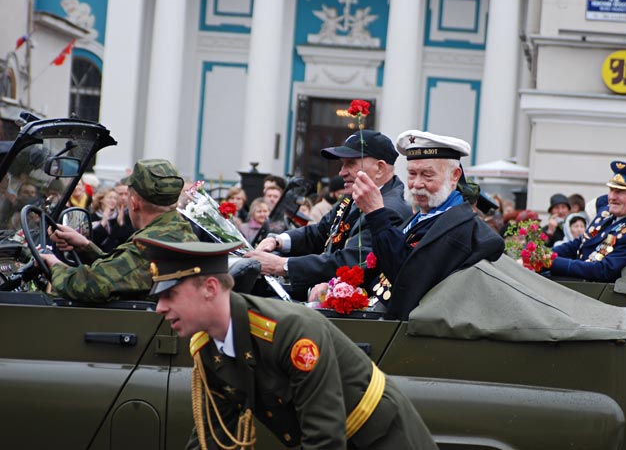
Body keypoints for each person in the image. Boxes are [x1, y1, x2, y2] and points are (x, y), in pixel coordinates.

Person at [135, 237, 438, 450]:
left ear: (210, 288)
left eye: (170, 295)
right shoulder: (208, 345)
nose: (160, 308)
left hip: (380, 438)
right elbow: (215, 436)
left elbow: (323, 440)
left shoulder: (291, 334)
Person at [349, 130, 505, 320]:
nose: (417, 184)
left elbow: (406, 278)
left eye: (428, 175)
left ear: (455, 176)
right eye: (412, 174)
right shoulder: (422, 217)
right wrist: (340, 286)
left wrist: (376, 214)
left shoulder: (459, 228)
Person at [246, 130, 412, 300]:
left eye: (351, 163)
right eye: (342, 164)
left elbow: (351, 260)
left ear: (380, 168)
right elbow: (320, 231)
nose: (342, 172)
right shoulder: (354, 196)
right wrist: (278, 241)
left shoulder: (388, 209)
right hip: (321, 291)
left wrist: (282, 265)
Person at [40, 159, 199, 302]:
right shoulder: (178, 230)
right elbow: (127, 272)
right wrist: (86, 246)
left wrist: (54, 265)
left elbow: (90, 285)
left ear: (134, 202)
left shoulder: (150, 245)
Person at [550, 160, 626, 282]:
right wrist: (545, 254)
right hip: (578, 279)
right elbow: (580, 243)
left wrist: (552, 262)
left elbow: (603, 270)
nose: (612, 197)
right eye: (611, 190)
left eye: (620, 192)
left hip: (591, 291)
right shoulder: (606, 211)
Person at [90, 188, 135, 253]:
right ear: (101, 200)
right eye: (110, 198)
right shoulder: (92, 216)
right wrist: (103, 222)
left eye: (115, 198)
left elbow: (127, 240)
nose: (113, 201)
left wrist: (120, 224)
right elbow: (92, 240)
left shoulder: (122, 216)